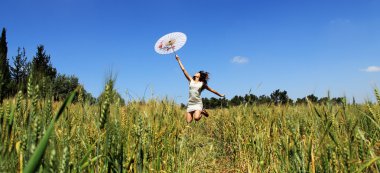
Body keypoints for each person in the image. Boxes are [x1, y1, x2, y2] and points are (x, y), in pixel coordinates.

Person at [175, 55, 225, 123]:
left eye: (198, 72)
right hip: (190, 103)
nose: (196, 72)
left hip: (197, 103)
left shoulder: (202, 84)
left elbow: (212, 90)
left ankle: (202, 111)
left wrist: (220, 95)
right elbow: (183, 70)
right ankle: (200, 112)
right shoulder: (191, 80)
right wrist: (178, 60)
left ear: (199, 76)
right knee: (188, 121)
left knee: (196, 118)